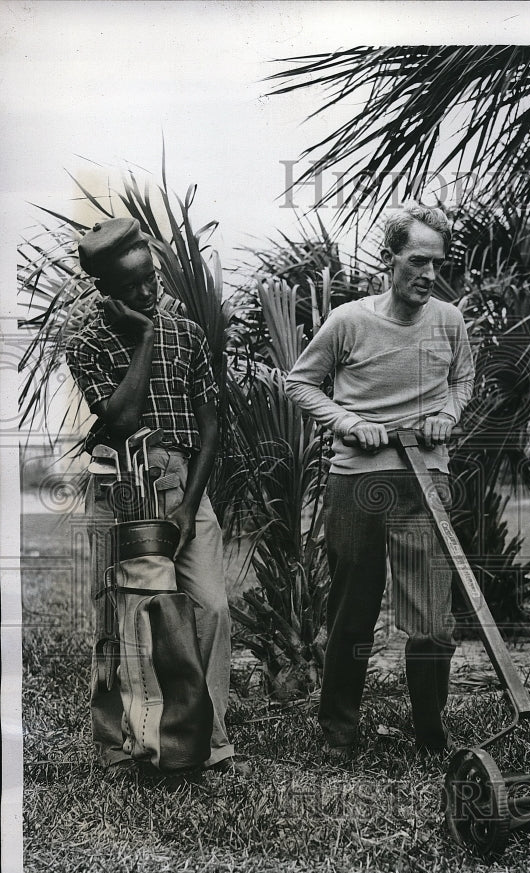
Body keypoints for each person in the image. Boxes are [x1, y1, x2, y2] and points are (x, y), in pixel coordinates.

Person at [285, 202, 475, 761]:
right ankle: (339, 733)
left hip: (425, 480)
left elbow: (462, 380)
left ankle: (431, 735)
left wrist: (448, 415)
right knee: (353, 612)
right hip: (358, 482)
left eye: (437, 263)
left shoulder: (449, 320)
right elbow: (301, 383)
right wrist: (348, 423)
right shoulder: (349, 321)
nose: (429, 274)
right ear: (389, 259)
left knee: (432, 621)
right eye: (417, 261)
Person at [66, 218, 247, 780]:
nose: (148, 292)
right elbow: (121, 422)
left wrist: (190, 506)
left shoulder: (187, 333)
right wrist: (143, 337)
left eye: (151, 278)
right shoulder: (87, 343)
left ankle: (206, 741)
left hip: (183, 485)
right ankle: (121, 744)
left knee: (211, 608)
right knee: (120, 615)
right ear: (105, 291)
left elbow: (210, 426)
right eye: (132, 287)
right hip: (121, 484)